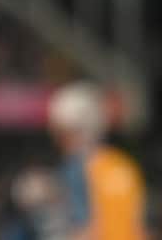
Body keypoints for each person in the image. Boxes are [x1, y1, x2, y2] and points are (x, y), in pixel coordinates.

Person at [48, 82, 148, 240]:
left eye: (62, 134)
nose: (58, 141)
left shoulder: (76, 169)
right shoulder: (124, 165)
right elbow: (139, 227)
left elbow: (86, 231)